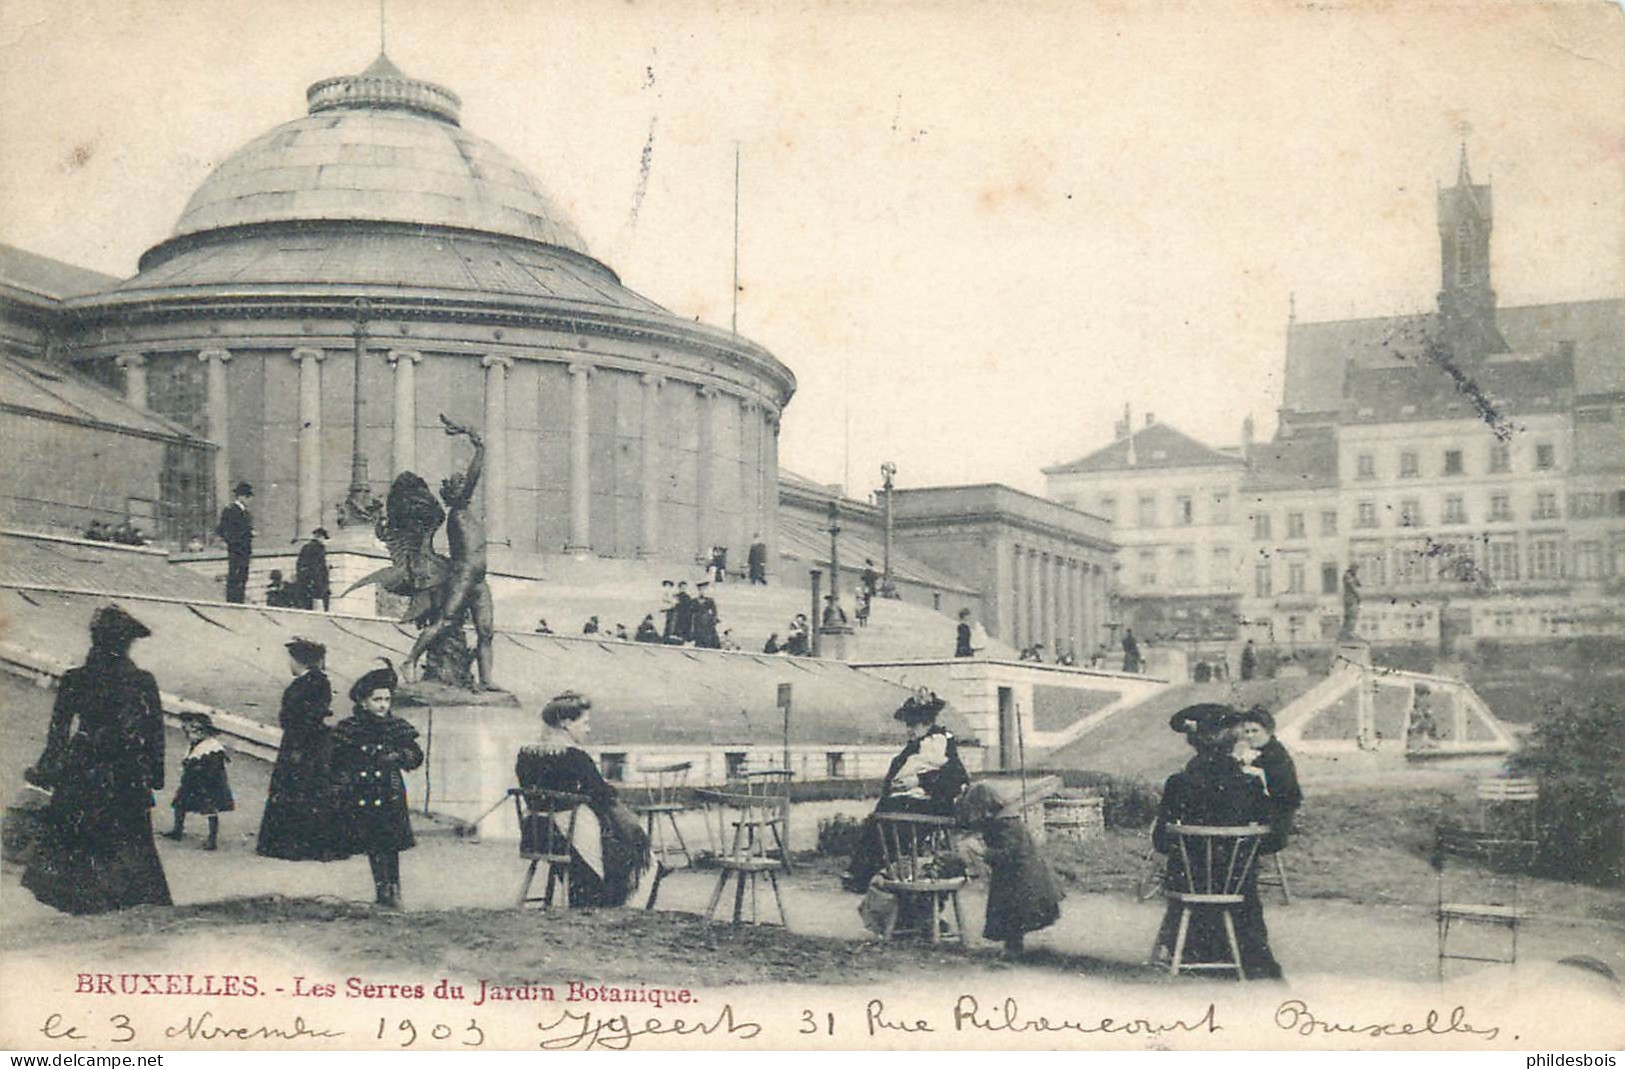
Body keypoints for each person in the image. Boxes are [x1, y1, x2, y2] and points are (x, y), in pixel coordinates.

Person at [21, 604, 171, 914]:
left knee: (76, 829)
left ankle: (76, 897)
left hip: (83, 763)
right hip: (126, 767)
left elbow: (58, 733)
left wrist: (45, 771)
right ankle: (125, 896)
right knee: (127, 833)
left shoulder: (75, 678)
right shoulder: (142, 680)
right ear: (127, 642)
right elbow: (154, 732)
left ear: (95, 639)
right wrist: (155, 774)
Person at [1151, 703, 1283, 979]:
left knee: (1189, 873)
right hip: (1236, 886)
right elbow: (1272, 841)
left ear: (1194, 743)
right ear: (1233, 742)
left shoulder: (1178, 783)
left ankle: (1191, 950)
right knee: (1242, 878)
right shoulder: (1250, 784)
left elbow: (1161, 842)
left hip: (1188, 882)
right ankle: (1247, 957)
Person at [515, 692, 652, 907]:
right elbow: (601, 793)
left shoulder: (525, 753)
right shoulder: (575, 757)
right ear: (566, 723)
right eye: (585, 723)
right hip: (566, 833)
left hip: (536, 831)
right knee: (628, 840)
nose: (588, 729)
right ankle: (621, 900)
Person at [841, 691, 969, 892]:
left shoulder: (940, 742)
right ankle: (865, 871)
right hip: (911, 803)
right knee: (879, 820)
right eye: (908, 725)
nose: (909, 729)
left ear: (927, 723)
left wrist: (918, 780)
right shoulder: (914, 747)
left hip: (933, 805)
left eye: (914, 724)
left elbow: (957, 779)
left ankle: (868, 873)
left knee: (889, 819)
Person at [402, 418, 497, 689]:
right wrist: (479, 447)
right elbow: (473, 476)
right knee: (445, 621)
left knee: (487, 631)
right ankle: (410, 660)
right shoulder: (457, 512)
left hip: (479, 579)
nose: (463, 485)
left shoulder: (466, 512)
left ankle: (487, 680)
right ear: (452, 494)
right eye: (458, 484)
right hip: (463, 576)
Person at [329, 660, 423, 908]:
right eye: (376, 699)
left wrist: (400, 756)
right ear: (363, 702)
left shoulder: (396, 727)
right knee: (372, 842)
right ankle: (381, 889)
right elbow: (336, 759)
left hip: (390, 791)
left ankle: (394, 890)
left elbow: (416, 755)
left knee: (390, 842)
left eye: (386, 700)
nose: (382, 705)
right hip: (362, 791)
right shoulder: (350, 728)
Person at [257, 637, 343, 861]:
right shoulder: (317, 681)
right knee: (302, 791)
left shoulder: (310, 682)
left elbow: (305, 716)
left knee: (297, 791)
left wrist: (297, 746)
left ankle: (294, 845)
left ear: (299, 661)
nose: (289, 665)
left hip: (302, 744)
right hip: (304, 741)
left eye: (291, 660)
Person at [957, 782, 1063, 958]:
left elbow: (1006, 854)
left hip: (1023, 874)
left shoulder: (1006, 823)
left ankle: (1013, 950)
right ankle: (1013, 947)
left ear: (985, 806)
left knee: (1014, 911)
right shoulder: (1001, 818)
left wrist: (981, 851)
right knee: (1010, 912)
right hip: (1014, 872)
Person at [164, 713, 233, 850]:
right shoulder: (197, 744)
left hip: (207, 784)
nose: (190, 734)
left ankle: (212, 839)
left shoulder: (212, 749)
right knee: (180, 804)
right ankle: (177, 830)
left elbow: (213, 770)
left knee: (209, 808)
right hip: (192, 781)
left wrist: (202, 778)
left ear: (204, 732)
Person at [1237, 707, 1303, 844]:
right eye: (1246, 731)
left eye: (1255, 731)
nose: (1249, 736)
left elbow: (1283, 797)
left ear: (1268, 731)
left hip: (1272, 826)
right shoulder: (1262, 752)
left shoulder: (1274, 757)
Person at [216, 481, 254, 603]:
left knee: (243, 574)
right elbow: (222, 529)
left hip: (245, 548)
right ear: (241, 496)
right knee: (235, 574)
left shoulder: (245, 511)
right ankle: (233, 600)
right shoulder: (231, 510)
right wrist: (233, 540)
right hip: (236, 547)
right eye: (248, 497)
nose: (249, 500)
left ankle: (239, 599)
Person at [295, 527, 331, 611]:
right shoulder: (319, 548)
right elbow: (318, 565)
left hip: (305, 579)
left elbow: (300, 564)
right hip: (316, 579)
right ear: (320, 537)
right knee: (320, 600)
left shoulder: (306, 547)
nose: (324, 540)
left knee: (307, 601)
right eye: (324, 538)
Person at [691, 582, 720, 648]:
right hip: (697, 619)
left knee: (708, 634)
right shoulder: (694, 601)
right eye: (700, 590)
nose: (702, 592)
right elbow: (691, 611)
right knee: (698, 633)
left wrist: (714, 619)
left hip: (707, 620)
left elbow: (714, 612)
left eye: (704, 590)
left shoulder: (710, 600)